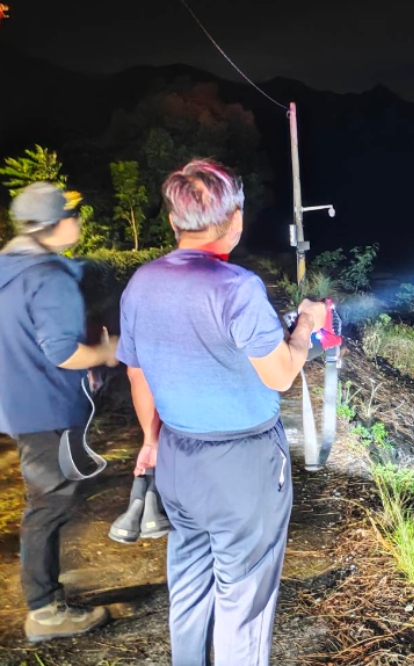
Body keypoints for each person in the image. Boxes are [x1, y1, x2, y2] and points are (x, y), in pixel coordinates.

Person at [117, 158, 327, 665]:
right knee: (244, 601)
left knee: (188, 583)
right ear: (235, 221)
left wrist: (151, 441)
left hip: (176, 456)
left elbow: (137, 374)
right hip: (244, 463)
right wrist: (305, 325)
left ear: (173, 222)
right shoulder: (237, 288)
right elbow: (280, 374)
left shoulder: (141, 284)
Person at [0, 182, 119, 643]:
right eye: (74, 215)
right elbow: (63, 352)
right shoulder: (49, 276)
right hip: (46, 406)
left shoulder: (9, 268)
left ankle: (43, 599)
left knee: (45, 500)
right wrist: (106, 352)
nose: (79, 222)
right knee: (48, 505)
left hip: (18, 404)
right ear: (55, 226)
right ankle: (44, 610)